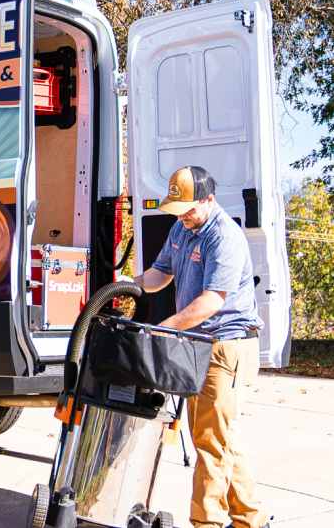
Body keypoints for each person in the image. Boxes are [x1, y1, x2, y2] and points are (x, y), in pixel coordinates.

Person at [135, 166, 270, 528]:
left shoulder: (224, 236)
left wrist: (164, 328)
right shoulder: (183, 227)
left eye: (189, 209)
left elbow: (212, 300)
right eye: (178, 210)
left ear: (209, 199)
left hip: (225, 346)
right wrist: (126, 286)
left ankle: (206, 522)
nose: (183, 217)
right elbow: (160, 273)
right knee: (220, 439)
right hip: (198, 344)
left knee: (210, 445)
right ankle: (251, 520)